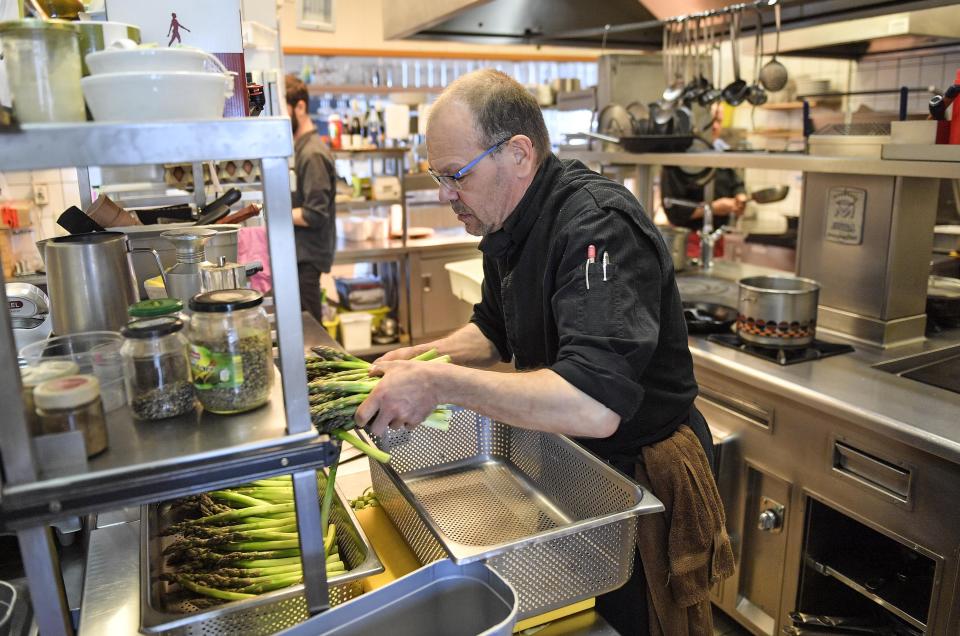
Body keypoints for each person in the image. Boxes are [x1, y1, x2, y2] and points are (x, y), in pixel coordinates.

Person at [355, 69, 732, 635]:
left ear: (519, 154)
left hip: (640, 480)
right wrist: (420, 359)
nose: (444, 193)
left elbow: (592, 403)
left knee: (630, 623)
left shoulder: (596, 226)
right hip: (570, 461)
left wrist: (439, 386)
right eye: (437, 175)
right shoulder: (505, 222)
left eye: (456, 174)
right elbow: (492, 332)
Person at [285, 75, 337, 322]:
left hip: (308, 257)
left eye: (282, 110)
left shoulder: (312, 153)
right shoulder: (300, 149)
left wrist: (273, 212)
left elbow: (315, 214)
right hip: (300, 254)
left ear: (300, 107)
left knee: (310, 328)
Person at [661, 105, 747, 233]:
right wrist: (713, 208)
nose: (715, 126)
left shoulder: (722, 151)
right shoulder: (678, 158)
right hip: (688, 238)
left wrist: (740, 196)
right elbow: (674, 212)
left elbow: (737, 183)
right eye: (710, 121)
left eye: (718, 121)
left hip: (720, 235)